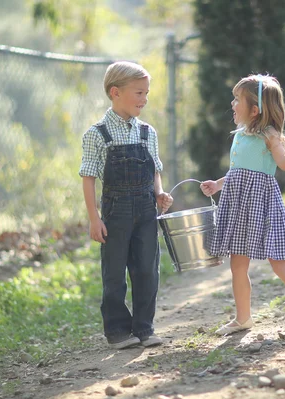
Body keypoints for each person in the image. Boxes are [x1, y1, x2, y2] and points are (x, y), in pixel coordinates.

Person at [200, 74, 285, 336]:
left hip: (262, 204)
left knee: (279, 263)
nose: (232, 104)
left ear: (254, 110)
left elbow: (284, 164)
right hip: (238, 204)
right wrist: (218, 184)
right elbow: (238, 172)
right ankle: (243, 318)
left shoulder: (269, 134)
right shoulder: (240, 134)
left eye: (237, 100)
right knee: (237, 264)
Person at [80, 61, 173, 349]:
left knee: (147, 270)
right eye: (138, 93)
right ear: (115, 92)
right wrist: (95, 219)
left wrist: (159, 192)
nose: (144, 100)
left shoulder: (148, 132)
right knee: (114, 273)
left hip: (146, 210)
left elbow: (155, 168)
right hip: (115, 213)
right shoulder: (96, 134)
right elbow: (88, 178)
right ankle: (118, 331)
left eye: (146, 94)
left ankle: (144, 328)